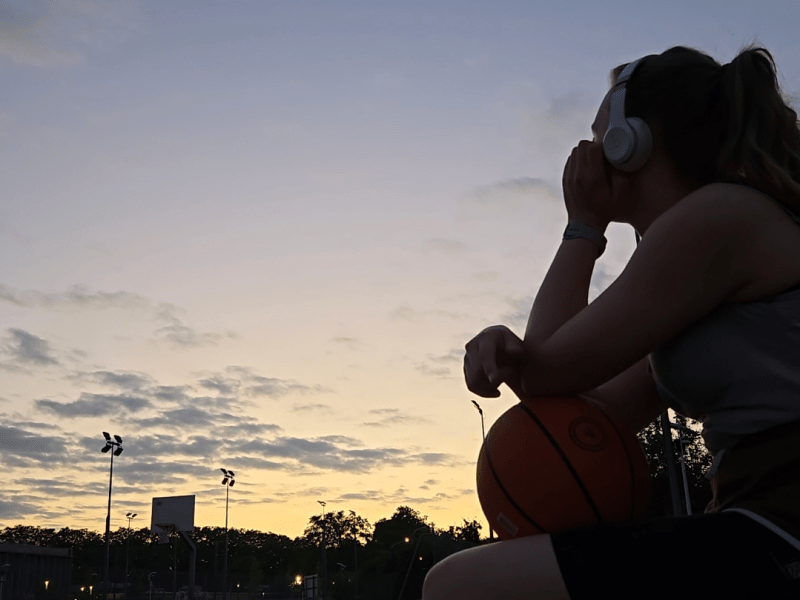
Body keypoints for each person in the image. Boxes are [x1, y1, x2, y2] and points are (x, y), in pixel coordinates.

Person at [422, 43, 800, 600]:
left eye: (600, 135)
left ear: (630, 143)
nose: (586, 151)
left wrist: (583, 224)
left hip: (783, 525)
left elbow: (547, 370)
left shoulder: (718, 216)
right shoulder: (706, 248)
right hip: (763, 520)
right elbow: (585, 408)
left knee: (459, 585)